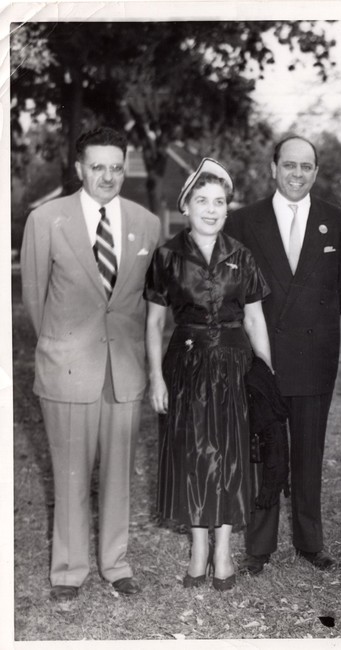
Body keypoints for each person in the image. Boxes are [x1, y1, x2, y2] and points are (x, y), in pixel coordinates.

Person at [20, 126, 161, 602]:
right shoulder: (46, 219)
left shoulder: (147, 223)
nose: (107, 176)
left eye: (116, 167)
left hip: (122, 370)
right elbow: (35, 302)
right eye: (97, 166)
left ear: (125, 168)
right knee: (71, 473)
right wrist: (65, 349)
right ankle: (69, 569)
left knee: (119, 474)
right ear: (79, 168)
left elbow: (145, 303)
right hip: (68, 368)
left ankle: (115, 563)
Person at [225, 135, 341, 573]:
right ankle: (259, 547)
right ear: (273, 168)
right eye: (289, 165)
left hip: (313, 353)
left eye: (306, 166)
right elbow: (235, 291)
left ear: (316, 172)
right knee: (264, 450)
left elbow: (340, 290)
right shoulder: (243, 221)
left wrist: (311, 328)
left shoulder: (338, 222)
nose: (297, 174)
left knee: (308, 453)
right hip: (261, 355)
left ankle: (309, 540)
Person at [145, 158, 272, 591]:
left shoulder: (241, 255)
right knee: (193, 455)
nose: (212, 209)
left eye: (220, 202)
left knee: (231, 456)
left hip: (235, 366)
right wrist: (156, 378)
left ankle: (223, 551)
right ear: (186, 206)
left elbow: (255, 320)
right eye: (203, 200)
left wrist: (266, 375)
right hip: (186, 366)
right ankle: (198, 548)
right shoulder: (167, 256)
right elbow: (153, 324)